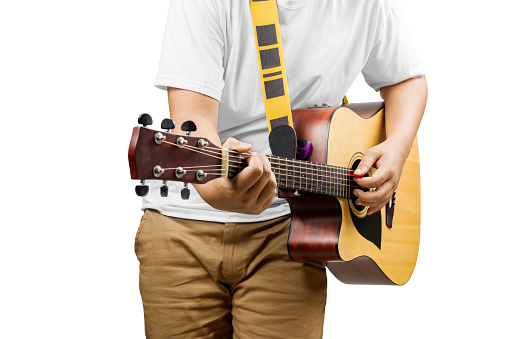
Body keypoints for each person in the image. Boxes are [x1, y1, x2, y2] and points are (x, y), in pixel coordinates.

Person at [134, 0, 428, 337]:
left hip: (293, 231)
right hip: (180, 229)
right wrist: (218, 190)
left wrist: (396, 147)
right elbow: (194, 120)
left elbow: (407, 79)